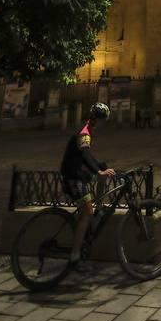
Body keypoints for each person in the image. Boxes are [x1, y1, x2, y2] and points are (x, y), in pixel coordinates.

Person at [60, 102, 115, 269]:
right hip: (73, 177)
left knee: (103, 168)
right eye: (102, 120)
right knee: (87, 215)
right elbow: (84, 154)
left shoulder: (85, 129)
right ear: (98, 120)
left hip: (77, 174)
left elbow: (87, 155)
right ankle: (74, 257)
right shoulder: (85, 134)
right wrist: (99, 172)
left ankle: (99, 204)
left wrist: (100, 167)